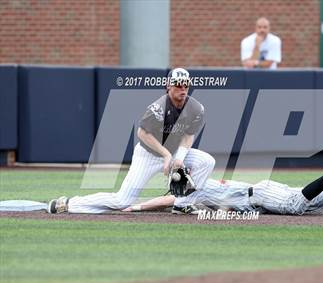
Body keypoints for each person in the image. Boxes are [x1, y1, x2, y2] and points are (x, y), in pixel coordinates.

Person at [48, 68, 215, 215]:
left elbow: (188, 135)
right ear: (168, 86)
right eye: (178, 84)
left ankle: (182, 205)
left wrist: (179, 157)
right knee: (122, 201)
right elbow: (143, 133)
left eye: (186, 84)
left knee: (207, 161)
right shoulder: (158, 108)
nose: (183, 88)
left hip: (173, 153)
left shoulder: (196, 108)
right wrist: (165, 155)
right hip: (148, 155)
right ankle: (70, 204)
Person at [123, 145, 323, 215]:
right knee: (319, 205)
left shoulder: (193, 190)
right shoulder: (196, 185)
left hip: (259, 195)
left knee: (295, 206)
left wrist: (136, 206)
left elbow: (167, 200)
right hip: (260, 193)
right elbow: (173, 199)